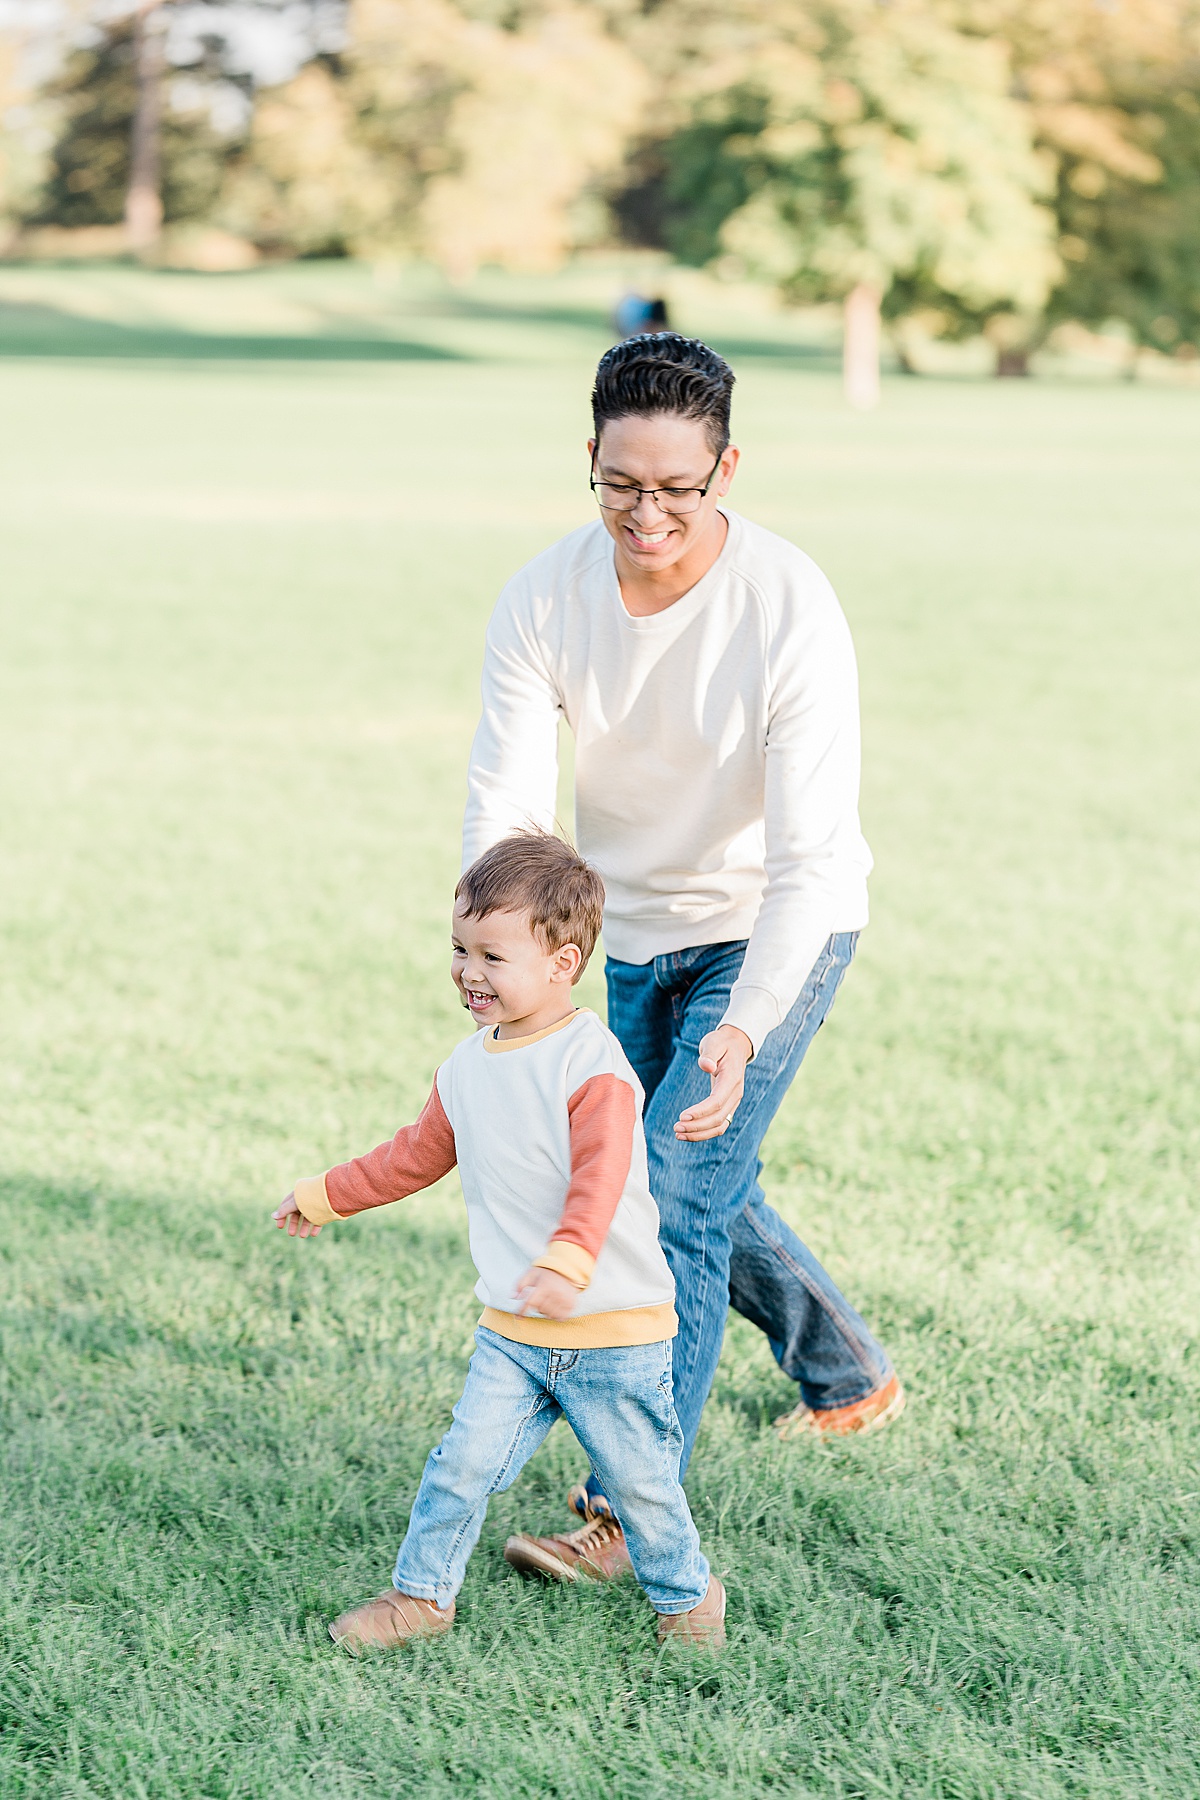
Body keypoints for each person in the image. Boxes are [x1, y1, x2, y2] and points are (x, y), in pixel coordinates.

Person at [462, 332, 904, 1583]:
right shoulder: (543, 596)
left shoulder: (788, 605)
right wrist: (506, 956)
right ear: (590, 462)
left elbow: (811, 862)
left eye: (678, 488)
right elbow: (505, 802)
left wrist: (746, 1023)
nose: (646, 514)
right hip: (628, 930)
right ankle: (846, 1368)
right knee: (695, 1175)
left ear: (727, 469)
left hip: (776, 927)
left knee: (670, 1191)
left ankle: (623, 1509)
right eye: (620, 486)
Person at [273, 831, 726, 1652]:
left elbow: (601, 1176)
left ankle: (688, 1600)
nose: (467, 971)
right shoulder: (466, 1067)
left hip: (612, 1332)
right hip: (515, 1333)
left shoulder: (591, 1066)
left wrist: (569, 1258)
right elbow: (412, 1155)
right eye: (458, 948)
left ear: (563, 962)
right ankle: (420, 1598)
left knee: (643, 1487)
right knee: (460, 1467)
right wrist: (326, 1195)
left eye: (491, 954)